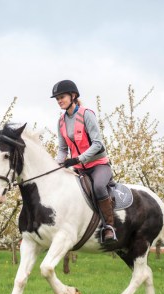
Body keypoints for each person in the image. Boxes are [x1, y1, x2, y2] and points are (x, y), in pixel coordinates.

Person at [51, 80, 117, 242]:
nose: (59, 100)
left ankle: (109, 226)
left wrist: (78, 159)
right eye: (57, 98)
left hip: (98, 165)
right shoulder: (61, 121)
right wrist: (56, 164)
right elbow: (62, 150)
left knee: (99, 187)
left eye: (62, 97)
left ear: (73, 96)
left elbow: (97, 143)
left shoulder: (87, 114)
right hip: (78, 168)